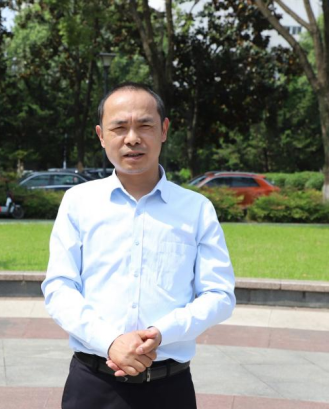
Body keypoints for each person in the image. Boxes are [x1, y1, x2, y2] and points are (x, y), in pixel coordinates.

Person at [42, 82, 236, 409]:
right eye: (119, 127)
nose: (132, 138)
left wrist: (161, 333)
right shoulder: (78, 202)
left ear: (164, 130)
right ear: (101, 135)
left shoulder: (196, 209)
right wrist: (110, 342)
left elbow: (219, 294)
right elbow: (60, 287)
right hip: (93, 385)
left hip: (169, 388)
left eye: (145, 125)